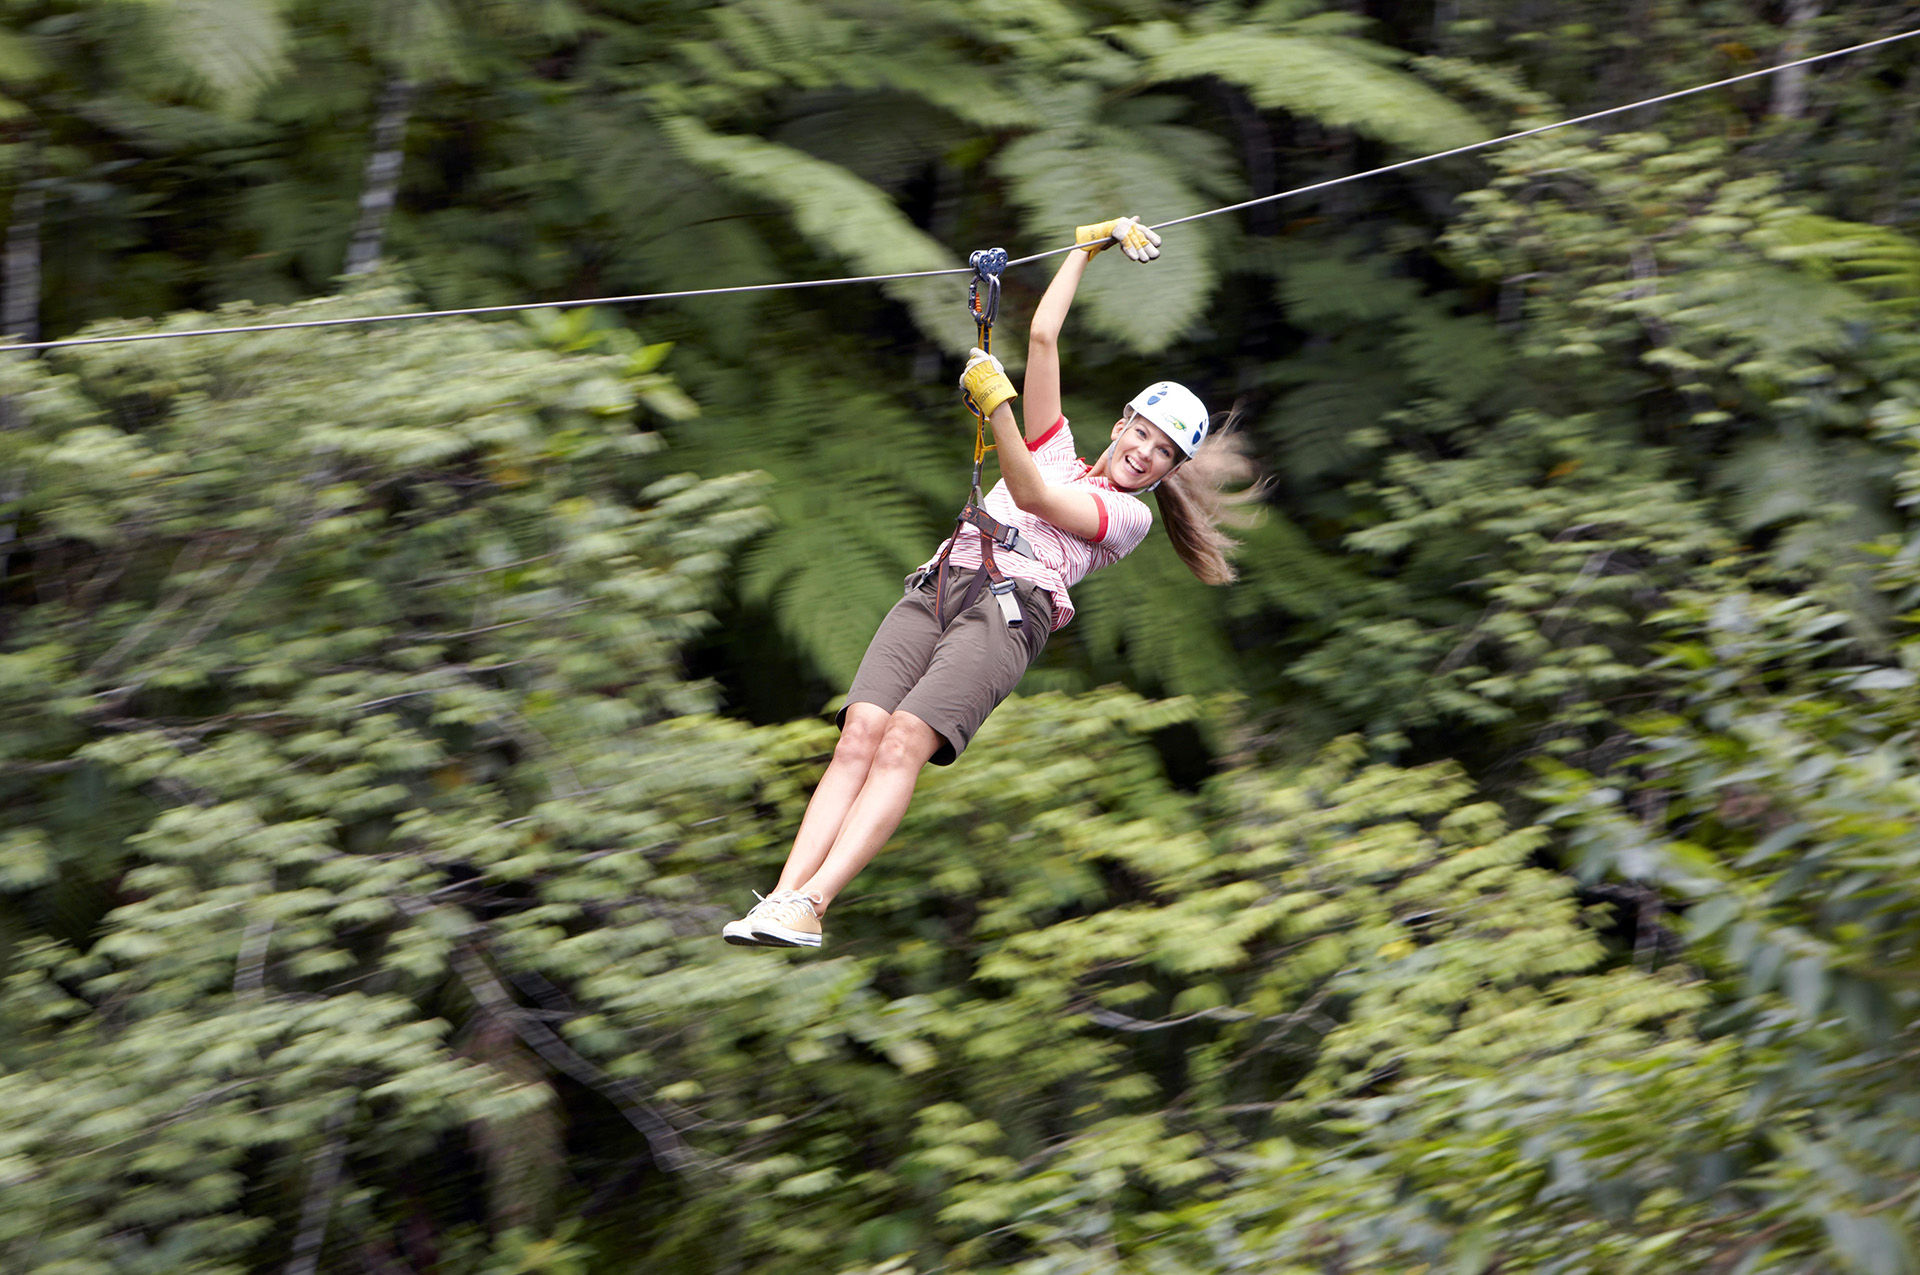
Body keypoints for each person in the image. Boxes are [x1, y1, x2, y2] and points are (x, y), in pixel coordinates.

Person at [724, 215, 1252, 949]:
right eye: (1142, 433)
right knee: (860, 733)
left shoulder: (1125, 517)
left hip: (1009, 613)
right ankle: (780, 896)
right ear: (1124, 422)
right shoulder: (1060, 444)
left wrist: (997, 406)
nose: (1143, 453)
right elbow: (1041, 340)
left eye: (1161, 453)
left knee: (906, 738)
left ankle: (814, 903)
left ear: (1167, 472)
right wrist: (1083, 252)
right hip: (941, 582)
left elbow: (1031, 495)